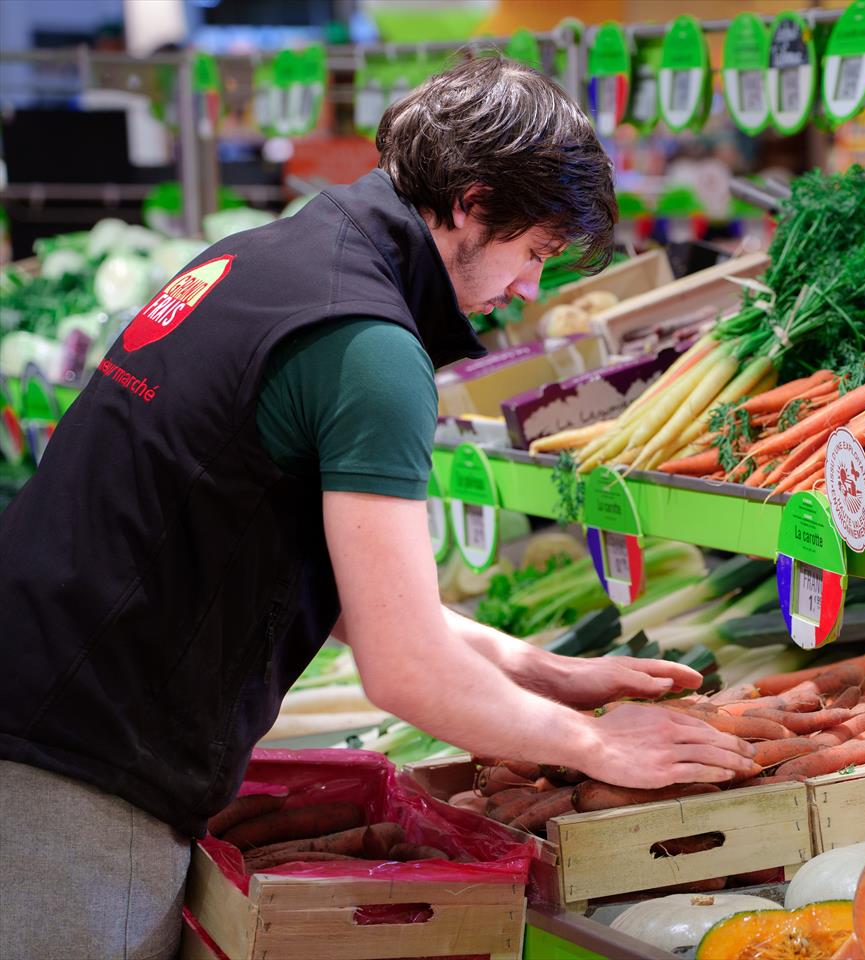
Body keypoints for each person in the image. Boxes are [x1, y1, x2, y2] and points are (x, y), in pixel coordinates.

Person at [0, 56, 755, 959]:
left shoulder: (258, 259)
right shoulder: (366, 346)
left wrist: (549, 673)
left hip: (41, 718)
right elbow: (403, 670)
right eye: (537, 254)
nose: (528, 290)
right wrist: (600, 749)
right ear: (472, 202)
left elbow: (362, 605)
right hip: (77, 778)